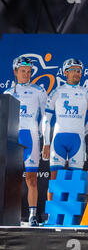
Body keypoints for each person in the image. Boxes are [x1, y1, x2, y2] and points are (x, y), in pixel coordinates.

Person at [42, 58, 88, 200]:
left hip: (77, 142)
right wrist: (46, 143)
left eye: (79, 71)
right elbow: (46, 119)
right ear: (66, 72)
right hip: (58, 140)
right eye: (74, 71)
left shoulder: (87, 92)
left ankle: (72, 220)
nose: (77, 74)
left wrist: (80, 132)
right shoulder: (57, 91)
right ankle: (51, 218)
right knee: (54, 181)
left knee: (75, 183)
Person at [4, 56, 47, 226]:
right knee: (10, 178)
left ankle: (32, 215)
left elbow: (45, 117)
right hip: (12, 138)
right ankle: (9, 214)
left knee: (31, 178)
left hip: (31, 136)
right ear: (15, 72)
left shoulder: (39, 91)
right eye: (23, 71)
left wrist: (45, 139)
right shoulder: (7, 93)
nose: (26, 74)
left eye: (29, 72)